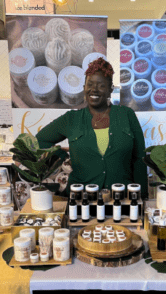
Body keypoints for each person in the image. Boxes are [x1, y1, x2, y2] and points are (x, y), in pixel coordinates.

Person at [36, 57, 148, 199]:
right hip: (81, 200)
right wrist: (63, 159)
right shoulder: (71, 119)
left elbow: (140, 158)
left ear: (110, 90)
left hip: (122, 200)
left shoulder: (126, 115)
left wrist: (142, 197)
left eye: (101, 85)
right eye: (90, 84)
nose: (94, 89)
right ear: (84, 88)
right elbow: (40, 141)